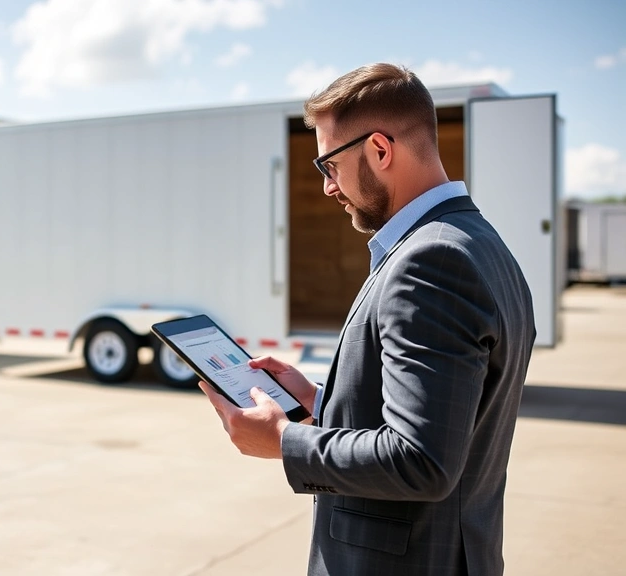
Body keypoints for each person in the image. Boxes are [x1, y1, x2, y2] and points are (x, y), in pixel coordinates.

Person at [199, 63, 536, 575]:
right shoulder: (481, 244)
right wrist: (321, 400)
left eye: (328, 165)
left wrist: (284, 442)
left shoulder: (430, 262)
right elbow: (448, 417)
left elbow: (422, 460)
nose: (329, 188)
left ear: (380, 150)